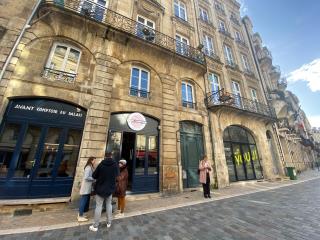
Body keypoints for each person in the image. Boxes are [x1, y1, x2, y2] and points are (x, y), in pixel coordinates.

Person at [89, 152, 119, 232]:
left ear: (104, 156)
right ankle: (109, 222)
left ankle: (95, 226)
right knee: (109, 205)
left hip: (100, 189)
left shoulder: (101, 164)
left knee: (98, 206)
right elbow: (117, 176)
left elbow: (94, 176)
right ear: (111, 156)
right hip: (109, 189)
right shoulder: (114, 165)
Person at [78, 157, 96, 222]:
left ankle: (81, 214)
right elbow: (86, 177)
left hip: (88, 187)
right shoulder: (88, 167)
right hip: (86, 187)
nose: (95, 162)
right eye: (94, 160)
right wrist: (94, 179)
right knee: (83, 201)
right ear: (91, 160)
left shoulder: (90, 167)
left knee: (85, 201)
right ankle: (80, 216)